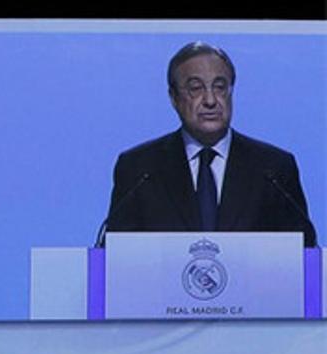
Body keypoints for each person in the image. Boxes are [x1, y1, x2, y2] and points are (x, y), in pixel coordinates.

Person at [101, 42, 316, 247]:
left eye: (220, 87)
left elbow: (303, 251)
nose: (211, 100)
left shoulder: (274, 168)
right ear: (174, 98)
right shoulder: (139, 168)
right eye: (195, 88)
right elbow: (115, 254)